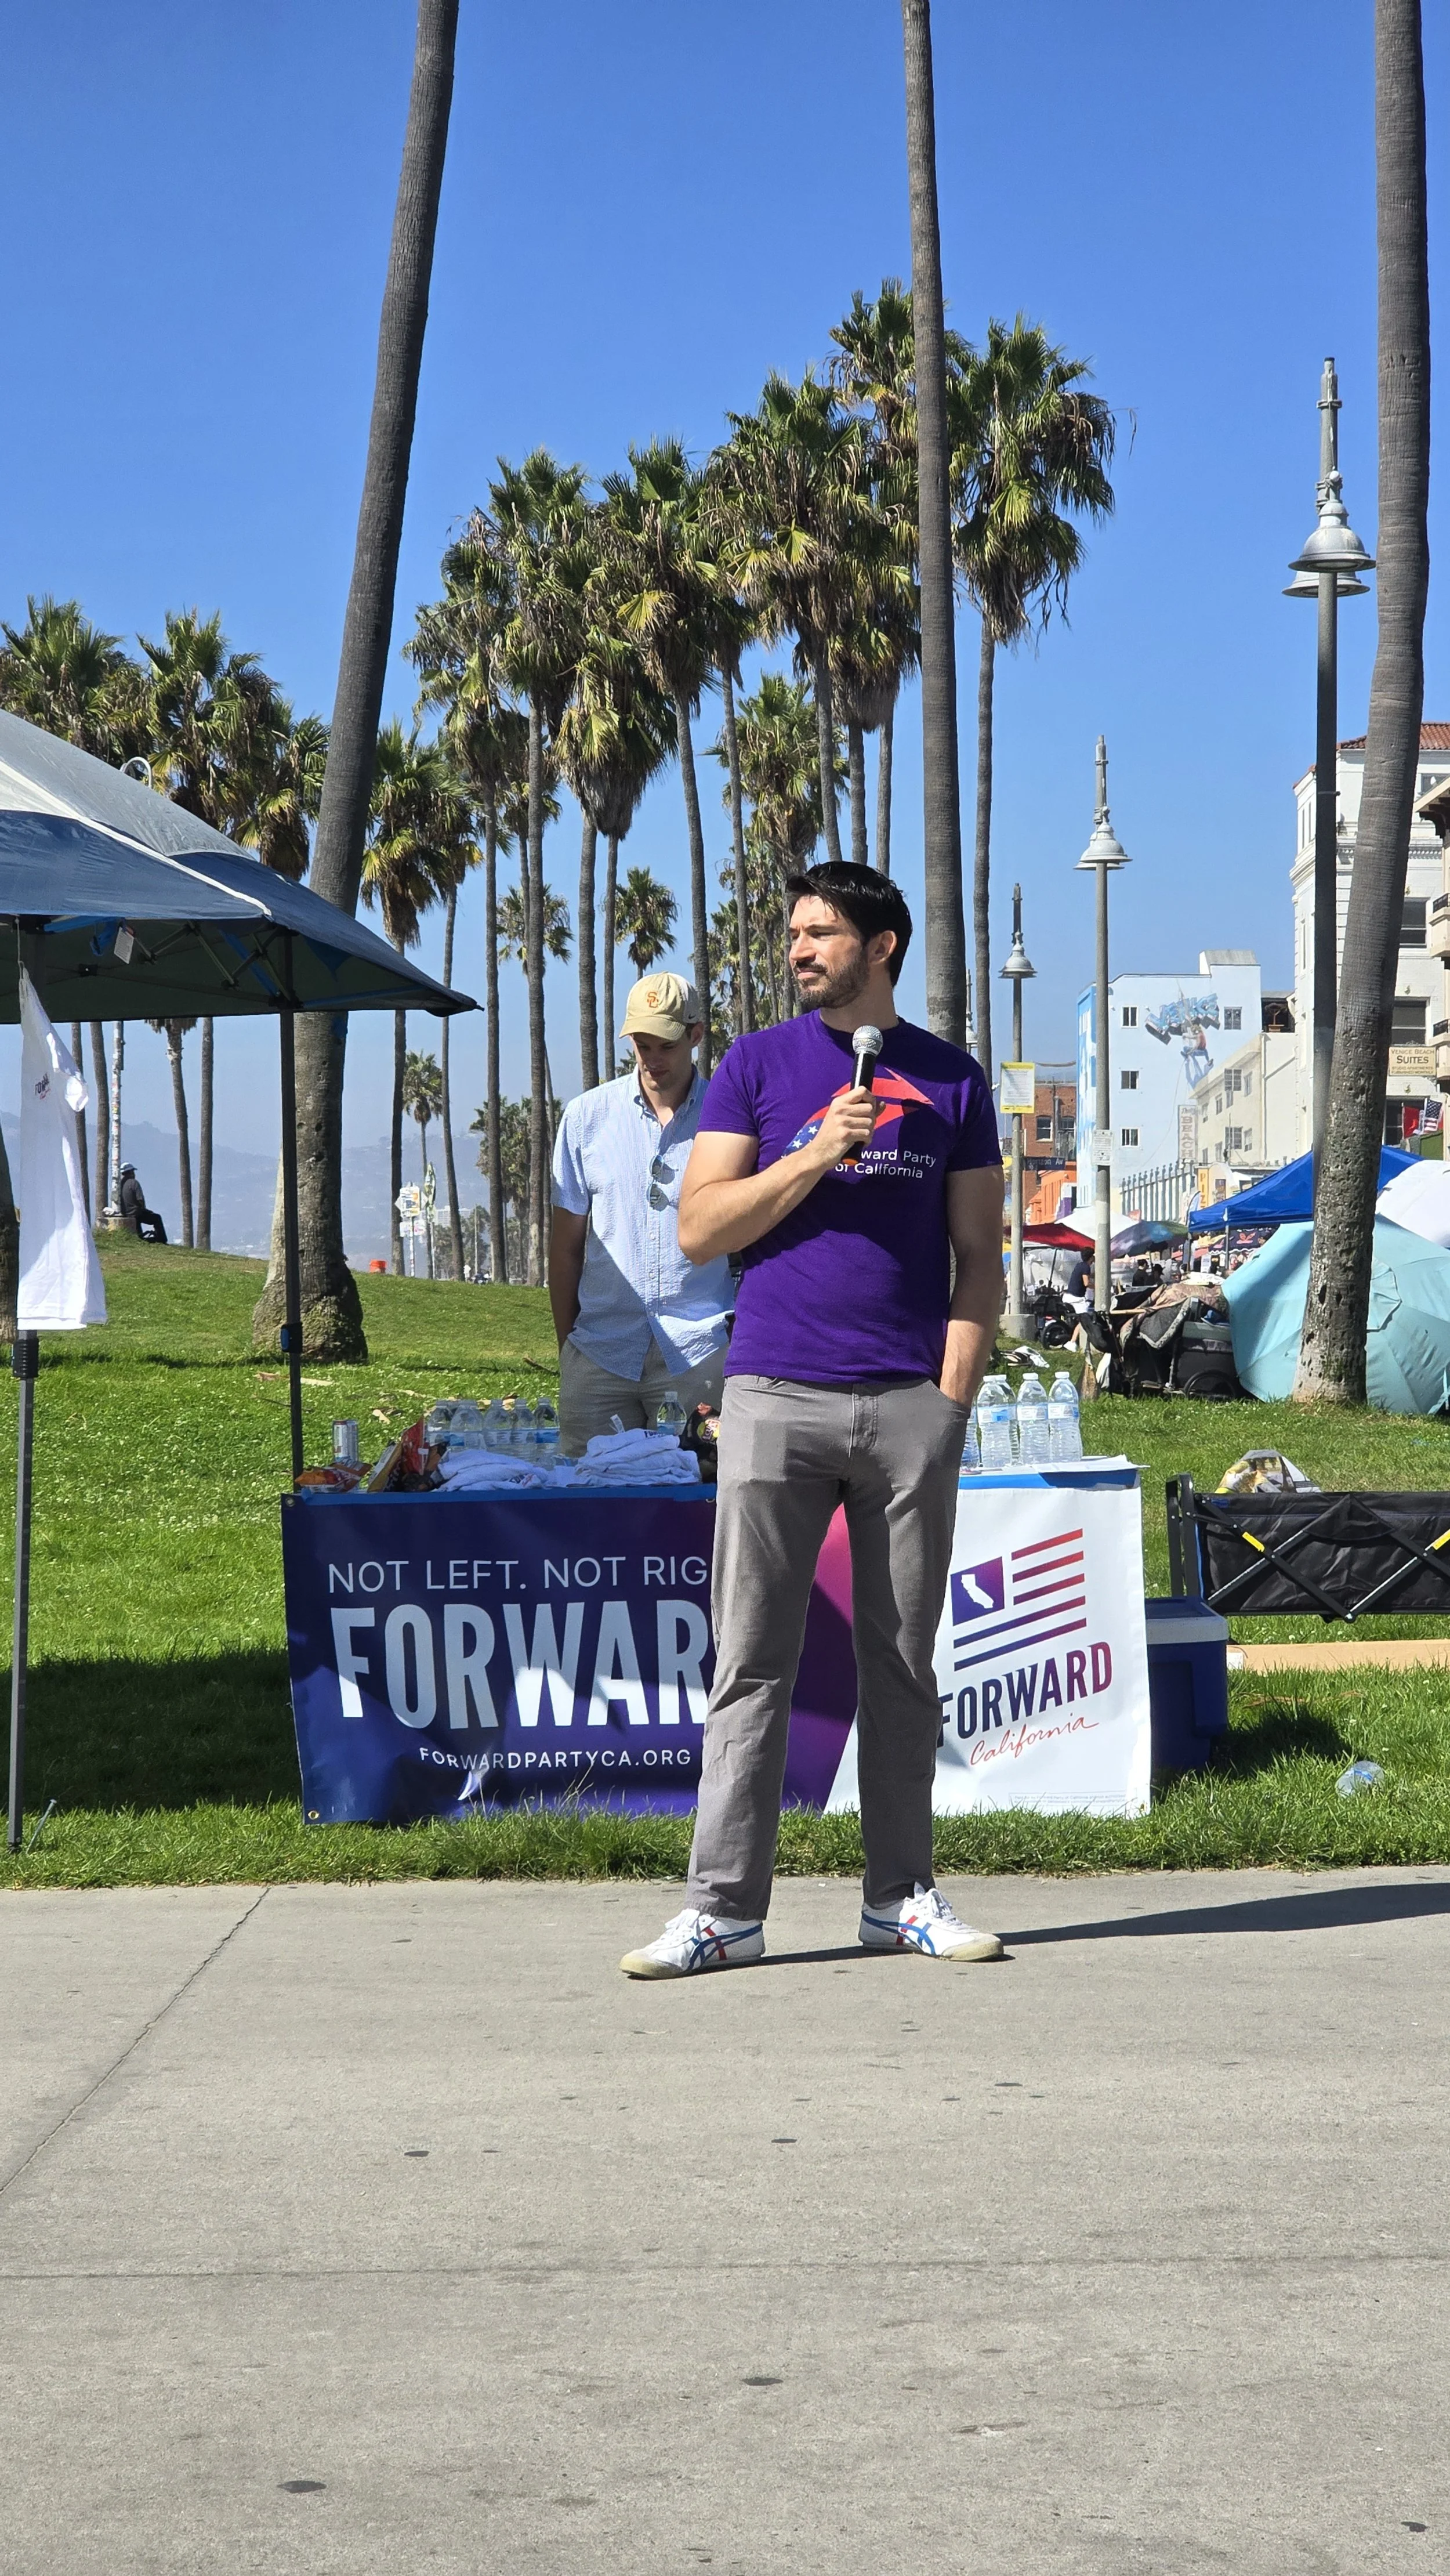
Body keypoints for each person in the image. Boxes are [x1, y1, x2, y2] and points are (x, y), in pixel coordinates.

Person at [619, 862, 1006, 1980]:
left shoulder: (950, 1079)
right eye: (792, 932)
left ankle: (900, 1899)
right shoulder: (755, 1068)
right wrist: (815, 1152)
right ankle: (722, 1912)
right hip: (775, 1393)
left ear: (881, 947)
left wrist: (951, 1400)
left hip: (905, 1405)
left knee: (899, 1663)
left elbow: (981, 1254)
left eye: (821, 932)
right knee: (752, 1660)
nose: (798, 949)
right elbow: (700, 1230)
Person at [549, 972, 733, 1458]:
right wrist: (571, 1349)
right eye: (641, 1044)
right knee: (588, 1512)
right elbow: (565, 1248)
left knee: (700, 1508)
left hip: (698, 1352)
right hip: (599, 1354)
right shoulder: (586, 1118)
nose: (652, 1059)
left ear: (695, 1035)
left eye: (665, 1045)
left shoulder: (729, 1117)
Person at [116, 1164, 167, 1243]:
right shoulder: (134, 1183)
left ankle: (141, 1237)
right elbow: (140, 1200)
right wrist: (144, 1209)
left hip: (125, 1213)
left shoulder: (119, 1185)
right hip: (136, 1213)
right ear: (131, 1172)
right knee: (157, 1218)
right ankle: (162, 1240)